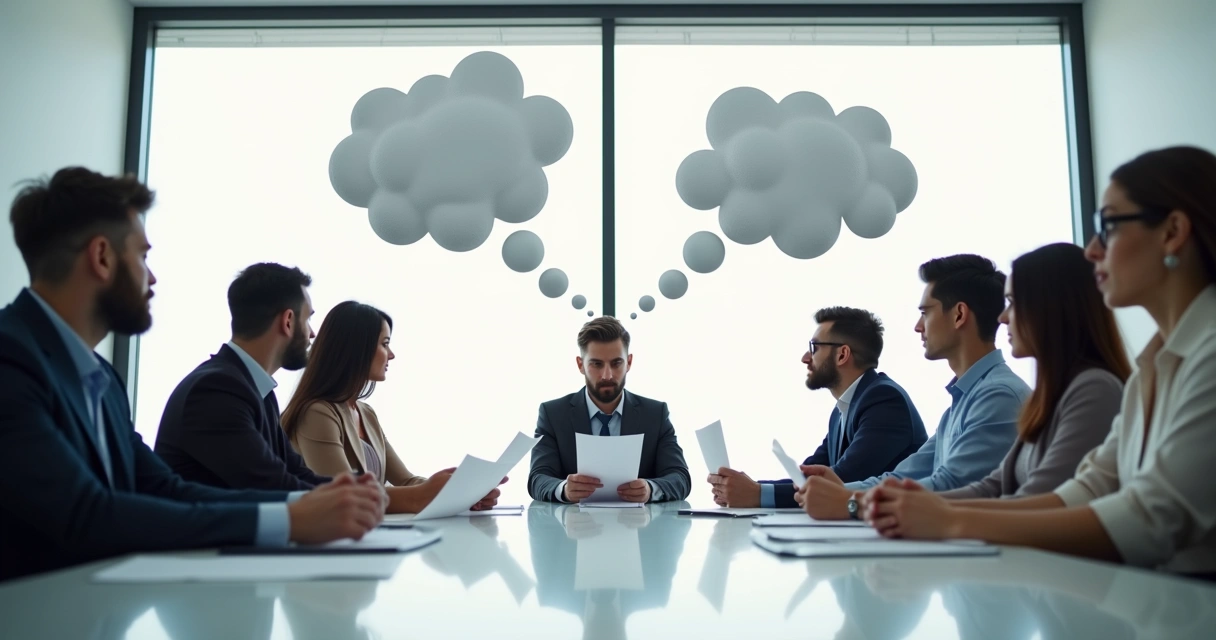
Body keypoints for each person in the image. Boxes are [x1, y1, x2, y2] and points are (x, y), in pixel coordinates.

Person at [0, 167, 384, 581]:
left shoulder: (103, 380)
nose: (152, 276)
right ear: (102, 257)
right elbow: (84, 513)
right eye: (143, 255)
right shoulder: (10, 359)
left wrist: (303, 509)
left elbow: (164, 489)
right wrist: (289, 520)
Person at [863, 146, 1216, 579]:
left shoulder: (1196, 360)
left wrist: (948, 520)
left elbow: (1148, 520)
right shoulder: (1152, 368)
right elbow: (1087, 490)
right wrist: (925, 510)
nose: (1091, 250)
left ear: (1173, 231)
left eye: (1107, 226)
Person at [798, 254, 1030, 520]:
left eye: (925, 313)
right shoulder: (964, 401)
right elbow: (903, 476)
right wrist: (840, 491)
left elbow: (949, 486)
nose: (918, 326)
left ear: (959, 315)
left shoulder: (997, 395)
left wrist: (849, 501)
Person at [938, 243, 1129, 500]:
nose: (1003, 318)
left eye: (1013, 302)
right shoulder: (1049, 395)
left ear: (1052, 307)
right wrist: (910, 505)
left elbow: (1037, 500)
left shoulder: (1095, 389)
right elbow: (992, 486)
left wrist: (935, 513)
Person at [281, 300, 501, 513]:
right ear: (358, 349)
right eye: (385, 344)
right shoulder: (316, 413)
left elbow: (406, 481)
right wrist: (431, 494)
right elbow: (344, 495)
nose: (392, 355)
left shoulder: (365, 413)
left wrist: (462, 493)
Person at [707, 306, 926, 508]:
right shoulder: (842, 410)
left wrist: (757, 493)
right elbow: (807, 477)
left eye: (814, 348)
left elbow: (839, 482)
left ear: (842, 355)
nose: (805, 358)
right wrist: (742, 488)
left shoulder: (884, 400)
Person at [154, 263, 330, 491]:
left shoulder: (256, 391)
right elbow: (276, 486)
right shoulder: (216, 391)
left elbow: (297, 474)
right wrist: (363, 496)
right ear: (288, 321)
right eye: (308, 319)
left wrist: (369, 493)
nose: (312, 333)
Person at [528, 316, 691, 503]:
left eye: (616, 363)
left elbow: (680, 477)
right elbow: (538, 478)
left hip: (641, 528)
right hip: (573, 528)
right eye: (596, 364)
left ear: (629, 362)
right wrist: (564, 489)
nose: (607, 375)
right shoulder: (553, 414)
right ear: (580, 365)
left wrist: (650, 489)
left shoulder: (655, 414)